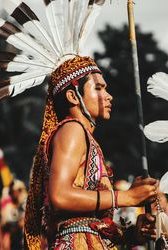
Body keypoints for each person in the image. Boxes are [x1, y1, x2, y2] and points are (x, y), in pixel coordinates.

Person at [24, 56, 159, 249]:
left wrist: (132, 235)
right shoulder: (73, 129)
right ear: (73, 96)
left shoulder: (87, 138)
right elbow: (60, 196)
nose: (108, 95)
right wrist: (126, 197)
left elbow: (89, 224)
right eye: (98, 88)